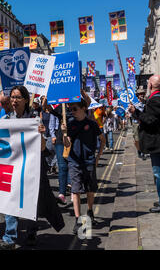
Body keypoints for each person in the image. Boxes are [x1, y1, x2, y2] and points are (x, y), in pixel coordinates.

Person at [0, 87, 64, 250]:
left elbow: (42, 148)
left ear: (26, 100)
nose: (14, 100)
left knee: (31, 201)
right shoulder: (6, 118)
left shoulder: (34, 119)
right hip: (13, 167)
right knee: (11, 199)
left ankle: (32, 232)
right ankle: (9, 238)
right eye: (12, 97)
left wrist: (39, 134)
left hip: (32, 168)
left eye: (18, 97)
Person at [61, 98, 106, 234]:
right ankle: (78, 220)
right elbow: (67, 144)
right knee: (75, 190)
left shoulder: (92, 124)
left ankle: (90, 210)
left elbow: (102, 140)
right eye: (70, 109)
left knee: (90, 190)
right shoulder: (70, 124)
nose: (72, 111)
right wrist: (64, 134)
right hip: (74, 162)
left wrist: (97, 157)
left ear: (83, 109)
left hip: (89, 161)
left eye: (74, 109)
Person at [129, 75, 160, 213]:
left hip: (158, 143)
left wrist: (136, 112)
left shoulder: (155, 100)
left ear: (151, 86)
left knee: (158, 174)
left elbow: (151, 121)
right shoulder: (155, 98)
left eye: (148, 84)